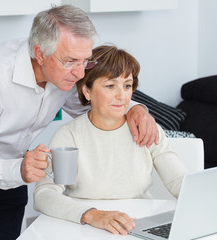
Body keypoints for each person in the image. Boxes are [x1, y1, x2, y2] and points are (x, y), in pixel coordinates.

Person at [0, 5, 158, 240]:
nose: (80, 74)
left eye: (85, 62)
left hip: (12, 171)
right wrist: (19, 169)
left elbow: (91, 104)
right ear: (40, 54)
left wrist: (136, 109)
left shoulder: (64, 70)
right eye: (71, 61)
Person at [34, 45, 188, 235]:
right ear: (86, 91)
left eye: (127, 86)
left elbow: (180, 181)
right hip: (85, 228)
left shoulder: (145, 129)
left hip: (136, 226)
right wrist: (92, 215)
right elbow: (45, 194)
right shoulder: (70, 136)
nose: (121, 96)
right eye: (110, 86)